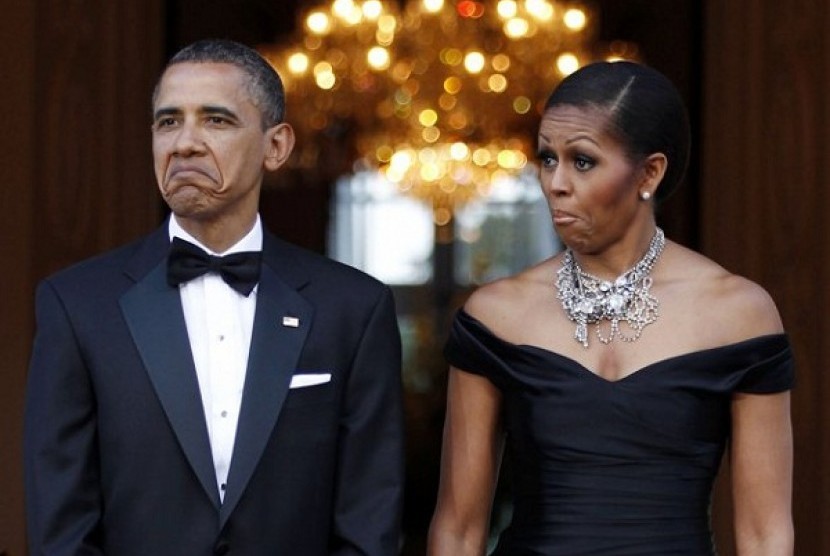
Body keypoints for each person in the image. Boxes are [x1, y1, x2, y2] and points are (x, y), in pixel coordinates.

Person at [24, 39, 404, 555]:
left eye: (216, 120)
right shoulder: (76, 305)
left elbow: (369, 521)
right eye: (167, 122)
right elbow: (61, 526)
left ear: (276, 146)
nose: (184, 143)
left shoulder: (353, 309)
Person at [427, 61, 794, 555]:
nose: (555, 183)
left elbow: (765, 533)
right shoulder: (496, 315)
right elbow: (457, 529)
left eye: (582, 161)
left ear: (650, 172)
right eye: (546, 158)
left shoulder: (737, 313)